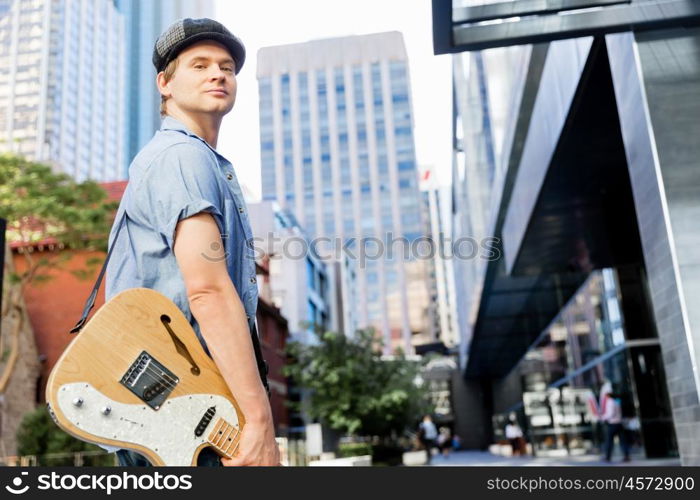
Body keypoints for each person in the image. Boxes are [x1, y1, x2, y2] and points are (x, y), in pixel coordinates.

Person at [105, 18, 279, 467]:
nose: (218, 74)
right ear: (164, 84)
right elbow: (208, 290)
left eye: (226, 67)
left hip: (183, 413)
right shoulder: (183, 157)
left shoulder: (193, 159)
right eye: (199, 65)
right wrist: (260, 421)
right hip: (184, 417)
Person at [601, 392, 630, 462]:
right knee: (623, 441)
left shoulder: (610, 402)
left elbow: (610, 413)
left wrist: (603, 417)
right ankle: (626, 456)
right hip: (619, 423)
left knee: (609, 441)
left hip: (613, 423)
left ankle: (608, 456)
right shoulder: (616, 402)